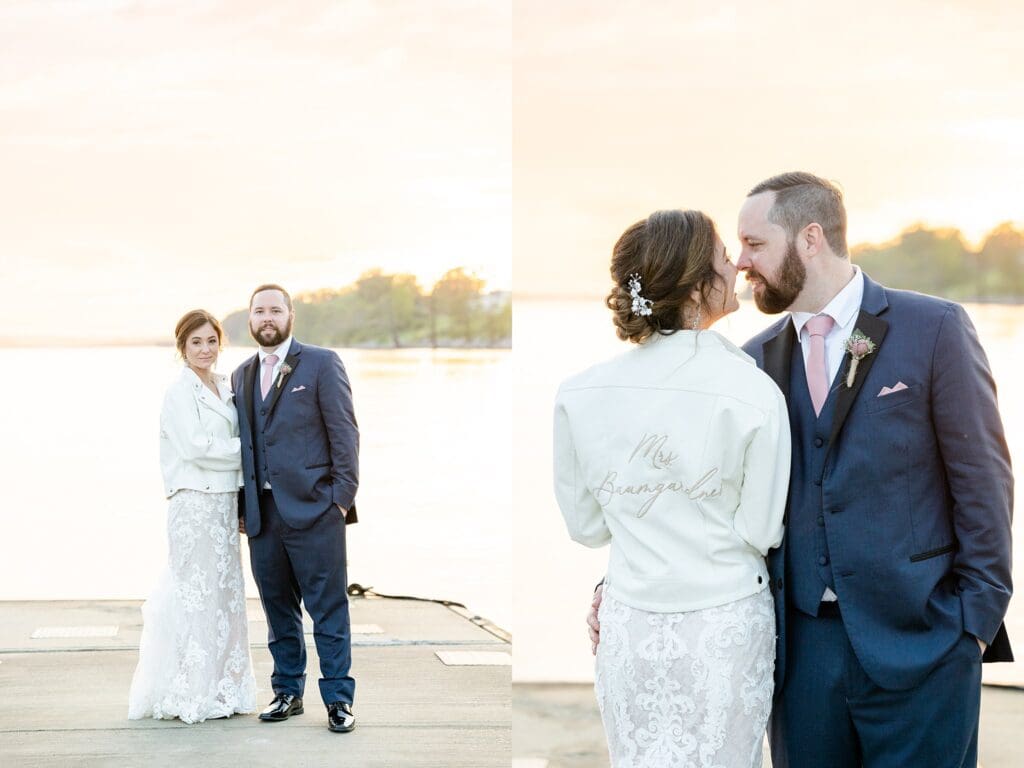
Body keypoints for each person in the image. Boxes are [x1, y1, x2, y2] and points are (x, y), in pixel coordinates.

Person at [589, 173, 1014, 767]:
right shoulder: (751, 364)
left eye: (754, 244)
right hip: (799, 657)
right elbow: (698, 503)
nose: (740, 263)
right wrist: (615, 586)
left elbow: (983, 479)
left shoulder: (934, 327)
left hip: (925, 641)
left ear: (810, 239)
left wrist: (974, 622)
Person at [554, 210, 791, 767]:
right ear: (697, 285)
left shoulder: (578, 392)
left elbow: (586, 528)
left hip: (630, 622)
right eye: (724, 258)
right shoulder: (753, 391)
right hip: (725, 622)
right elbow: (761, 529)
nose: (736, 267)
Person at [233, 284, 360, 733]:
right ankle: (287, 691)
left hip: (317, 510)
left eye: (275, 310)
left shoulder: (322, 363)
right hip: (263, 516)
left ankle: (339, 699)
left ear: (291, 316)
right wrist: (243, 508)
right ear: (250, 319)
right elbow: (245, 448)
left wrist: (340, 500)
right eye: (259, 311)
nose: (267, 318)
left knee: (328, 609)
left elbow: (345, 433)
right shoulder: (241, 375)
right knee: (277, 609)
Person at [128, 309, 257, 724]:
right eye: (196, 342)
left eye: (211, 341)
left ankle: (226, 689)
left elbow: (235, 434)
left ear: (221, 342)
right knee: (195, 596)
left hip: (224, 505)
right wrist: (252, 455)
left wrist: (243, 494)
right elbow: (196, 448)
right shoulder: (179, 392)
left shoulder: (227, 385)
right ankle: (192, 691)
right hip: (194, 505)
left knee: (226, 598)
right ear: (182, 347)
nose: (205, 349)